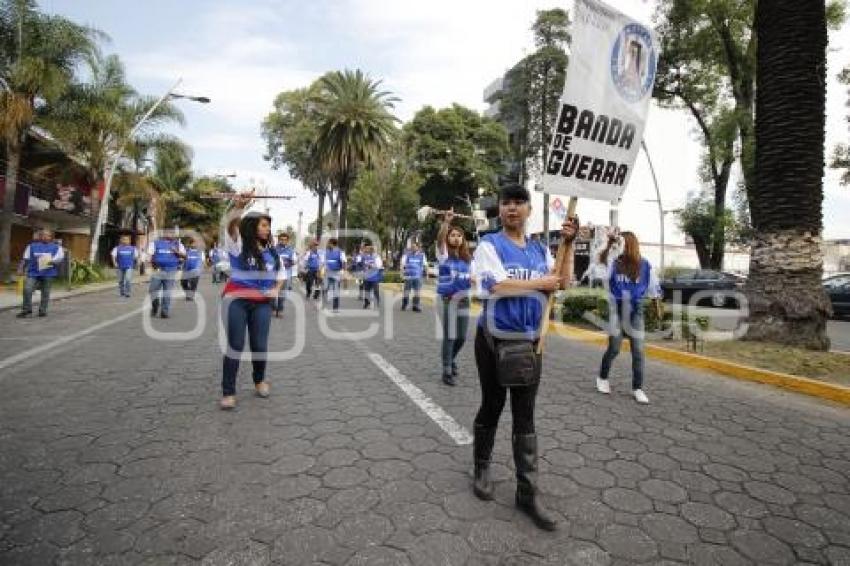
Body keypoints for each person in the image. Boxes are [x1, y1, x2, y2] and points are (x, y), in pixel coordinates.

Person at [471, 184, 577, 531]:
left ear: (529, 210)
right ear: (499, 210)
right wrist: (540, 283)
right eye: (506, 203)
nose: (512, 208)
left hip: (532, 343)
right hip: (493, 340)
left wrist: (570, 245)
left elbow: (562, 281)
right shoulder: (490, 245)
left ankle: (527, 493)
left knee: (525, 416)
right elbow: (495, 286)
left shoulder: (538, 249)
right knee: (492, 405)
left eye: (519, 203)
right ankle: (482, 466)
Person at [220, 191, 284, 410]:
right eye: (263, 225)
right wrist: (238, 207)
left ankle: (259, 381)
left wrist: (275, 289)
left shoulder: (272, 253)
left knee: (259, 345)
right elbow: (231, 227)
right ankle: (228, 392)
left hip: (261, 304)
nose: (267, 229)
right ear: (252, 227)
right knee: (235, 345)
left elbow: (281, 276)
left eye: (268, 226)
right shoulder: (237, 245)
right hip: (236, 301)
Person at [597, 231, 660, 405]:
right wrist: (609, 244)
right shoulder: (615, 262)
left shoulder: (645, 265)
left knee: (638, 350)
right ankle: (602, 377)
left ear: (630, 244)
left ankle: (638, 388)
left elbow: (653, 288)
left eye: (622, 243)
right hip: (617, 308)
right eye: (619, 243)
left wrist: (657, 308)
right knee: (615, 347)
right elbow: (601, 265)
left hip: (636, 310)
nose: (620, 246)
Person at [436, 211, 473, 386]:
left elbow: (473, 278)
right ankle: (446, 370)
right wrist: (446, 223)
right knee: (450, 336)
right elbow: (440, 241)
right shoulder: (443, 256)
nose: (456, 238)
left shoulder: (467, 259)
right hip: (449, 300)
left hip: (464, 300)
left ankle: (451, 359)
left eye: (459, 235)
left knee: (462, 337)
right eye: (453, 235)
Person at [17, 229, 64, 318]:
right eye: (43, 235)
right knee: (27, 289)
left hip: (48, 273)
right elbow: (25, 258)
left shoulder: (57, 247)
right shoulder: (31, 246)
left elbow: (59, 259)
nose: (45, 237)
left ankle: (42, 310)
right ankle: (27, 310)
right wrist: (20, 268)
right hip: (33, 272)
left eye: (47, 235)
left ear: (51, 237)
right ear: (40, 236)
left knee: (45, 292)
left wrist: (48, 261)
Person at [146, 230, 186, 319]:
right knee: (152, 290)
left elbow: (185, 256)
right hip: (158, 270)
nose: (170, 234)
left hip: (171, 271)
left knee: (167, 291)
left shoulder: (178, 244)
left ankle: (165, 312)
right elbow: (149, 255)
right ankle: (155, 306)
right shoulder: (155, 243)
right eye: (168, 232)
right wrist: (149, 266)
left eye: (172, 233)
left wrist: (176, 252)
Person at [273, 232, 297, 317]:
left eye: (285, 240)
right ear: (279, 240)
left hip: (286, 274)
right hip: (274, 273)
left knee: (282, 293)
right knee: (273, 291)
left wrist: (286, 263)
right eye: (281, 239)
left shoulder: (291, 250)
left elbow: (294, 261)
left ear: (287, 241)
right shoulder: (274, 249)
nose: (283, 241)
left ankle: (280, 310)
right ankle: (273, 307)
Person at [401, 242, 427, 312]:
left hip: (417, 277)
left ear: (418, 248)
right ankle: (404, 304)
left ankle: (415, 306)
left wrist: (426, 274)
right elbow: (403, 265)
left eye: (414, 247)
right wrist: (403, 274)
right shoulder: (407, 255)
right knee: (406, 291)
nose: (413, 248)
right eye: (412, 247)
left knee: (417, 292)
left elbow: (425, 265)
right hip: (408, 277)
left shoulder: (422, 255)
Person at [110, 234, 138, 298]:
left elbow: (136, 257)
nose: (125, 241)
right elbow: (113, 255)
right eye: (123, 239)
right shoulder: (117, 248)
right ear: (121, 240)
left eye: (127, 239)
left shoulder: (133, 249)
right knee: (120, 280)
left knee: (128, 279)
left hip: (129, 266)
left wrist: (137, 264)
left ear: (129, 241)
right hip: (120, 267)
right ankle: (122, 292)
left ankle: (128, 292)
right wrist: (115, 263)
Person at [322, 238, 346, 313]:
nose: (328, 244)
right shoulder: (327, 252)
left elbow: (344, 262)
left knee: (336, 291)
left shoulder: (340, 252)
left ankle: (335, 308)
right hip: (328, 272)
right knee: (325, 288)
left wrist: (343, 272)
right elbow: (324, 262)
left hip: (336, 273)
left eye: (329, 243)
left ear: (332, 244)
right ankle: (323, 304)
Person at [361, 243, 383, 309]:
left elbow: (379, 266)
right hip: (367, 277)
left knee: (375, 291)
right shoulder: (365, 257)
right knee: (366, 291)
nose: (367, 250)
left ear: (372, 250)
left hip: (374, 277)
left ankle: (378, 300)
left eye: (368, 249)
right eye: (366, 249)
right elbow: (363, 265)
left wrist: (372, 266)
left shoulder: (376, 257)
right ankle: (366, 303)